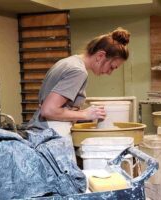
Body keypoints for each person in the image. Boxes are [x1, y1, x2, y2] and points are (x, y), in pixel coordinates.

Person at [26, 27, 131, 161]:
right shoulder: (78, 71)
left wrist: (82, 115)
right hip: (51, 135)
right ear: (100, 56)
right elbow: (49, 110)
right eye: (112, 67)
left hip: (41, 131)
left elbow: (55, 105)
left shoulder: (67, 62)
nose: (109, 72)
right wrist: (85, 114)